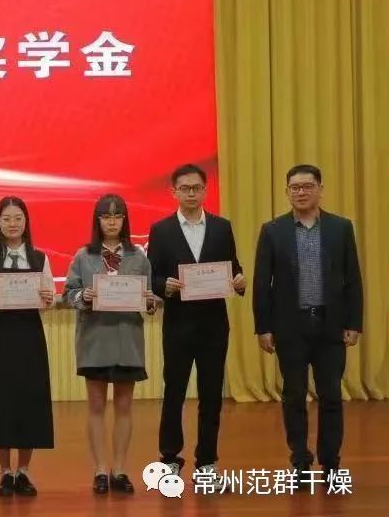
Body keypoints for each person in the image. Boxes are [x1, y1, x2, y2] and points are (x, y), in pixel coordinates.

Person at [253, 164, 363, 482]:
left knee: (331, 396)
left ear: (320, 190)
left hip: (331, 325)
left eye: (307, 186)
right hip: (290, 327)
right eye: (295, 188)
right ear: (287, 192)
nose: (301, 192)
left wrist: (354, 322)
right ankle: (300, 460)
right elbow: (262, 283)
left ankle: (330, 462)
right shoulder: (272, 231)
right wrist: (263, 328)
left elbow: (353, 279)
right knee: (294, 395)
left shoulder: (340, 228)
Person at [148, 164, 245, 486]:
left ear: (205, 191)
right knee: (174, 392)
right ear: (174, 192)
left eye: (196, 188)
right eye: (184, 188)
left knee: (211, 396)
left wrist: (240, 280)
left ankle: (207, 462)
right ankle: (169, 458)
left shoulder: (221, 227)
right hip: (178, 324)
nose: (191, 193)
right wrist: (164, 286)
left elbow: (233, 268)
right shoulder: (161, 230)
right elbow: (152, 275)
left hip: (214, 325)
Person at [63, 194, 157, 495]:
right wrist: (83, 297)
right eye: (106, 216)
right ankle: (100, 470)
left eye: (117, 216)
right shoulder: (83, 256)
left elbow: (151, 298)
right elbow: (68, 294)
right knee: (96, 405)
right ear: (98, 221)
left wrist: (151, 301)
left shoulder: (138, 257)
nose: (112, 221)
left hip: (128, 339)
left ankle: (120, 469)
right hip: (95, 339)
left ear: (125, 220)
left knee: (125, 406)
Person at [0, 197, 56, 497]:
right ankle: (6, 472)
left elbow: (50, 297)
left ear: (26, 221)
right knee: (0, 400)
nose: (12, 224)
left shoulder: (40, 258)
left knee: (30, 399)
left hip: (30, 336)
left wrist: (48, 299)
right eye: (6, 219)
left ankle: (25, 471)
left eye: (18, 218)